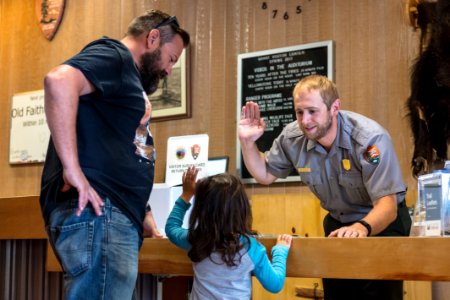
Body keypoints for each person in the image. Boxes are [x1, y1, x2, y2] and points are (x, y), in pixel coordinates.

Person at [40, 10, 190, 300]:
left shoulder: (124, 75)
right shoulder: (117, 56)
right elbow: (58, 81)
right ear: (153, 37)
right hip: (102, 213)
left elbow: (117, 149)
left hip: (113, 215)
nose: (169, 70)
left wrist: (142, 211)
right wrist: (72, 170)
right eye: (171, 59)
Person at [238, 74, 411, 300]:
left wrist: (361, 228)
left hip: (382, 223)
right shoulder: (292, 138)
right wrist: (247, 142)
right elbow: (264, 174)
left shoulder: (369, 139)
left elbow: (387, 205)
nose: (305, 120)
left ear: (334, 107)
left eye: (312, 111)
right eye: (299, 112)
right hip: (339, 225)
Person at [165, 167, 293, 299]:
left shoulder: (196, 240)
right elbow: (275, 284)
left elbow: (171, 228)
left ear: (201, 209)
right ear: (241, 209)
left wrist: (186, 194)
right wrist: (280, 250)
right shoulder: (250, 247)